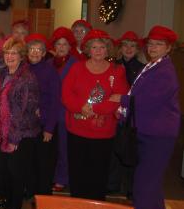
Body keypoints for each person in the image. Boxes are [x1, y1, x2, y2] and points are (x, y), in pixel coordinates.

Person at [119, 26, 180, 209]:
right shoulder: (153, 66)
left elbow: (148, 100)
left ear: (168, 48)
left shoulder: (165, 71)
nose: (153, 47)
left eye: (159, 44)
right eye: (151, 43)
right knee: (151, 172)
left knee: (145, 175)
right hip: (147, 128)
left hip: (159, 133)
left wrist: (122, 101)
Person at [61, 29, 128, 200]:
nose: (98, 51)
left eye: (102, 47)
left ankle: (96, 206)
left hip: (103, 133)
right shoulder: (76, 68)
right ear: (88, 49)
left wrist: (95, 109)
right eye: (94, 47)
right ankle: (78, 204)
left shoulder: (117, 71)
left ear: (107, 50)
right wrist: (79, 107)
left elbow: (118, 98)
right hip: (77, 129)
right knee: (77, 170)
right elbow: (66, 94)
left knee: (99, 172)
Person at [0, 38, 40, 209]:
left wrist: (15, 140)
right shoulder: (2, 74)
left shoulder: (27, 78)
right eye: (7, 53)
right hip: (3, 133)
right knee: (2, 171)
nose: (9, 56)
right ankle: (6, 208)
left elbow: (27, 112)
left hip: (21, 136)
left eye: (14, 53)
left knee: (16, 175)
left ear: (21, 56)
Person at [109, 30, 145, 196]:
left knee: (130, 151)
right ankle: (113, 184)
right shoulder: (113, 65)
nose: (129, 49)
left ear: (137, 49)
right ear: (120, 48)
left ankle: (130, 187)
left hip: (132, 116)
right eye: (125, 45)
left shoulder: (142, 69)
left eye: (133, 46)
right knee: (115, 150)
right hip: (114, 114)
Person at [26, 34, 61, 196]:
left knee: (44, 165)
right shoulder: (23, 69)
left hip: (44, 125)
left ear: (44, 53)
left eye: (38, 49)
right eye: (31, 49)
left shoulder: (50, 72)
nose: (34, 52)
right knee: (31, 163)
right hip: (27, 125)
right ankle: (31, 194)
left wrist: (49, 128)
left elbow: (55, 101)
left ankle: (43, 198)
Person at [49, 26, 79, 192]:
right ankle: (53, 176)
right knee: (51, 147)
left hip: (66, 112)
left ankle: (62, 178)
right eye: (58, 44)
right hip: (50, 112)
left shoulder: (76, 64)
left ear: (70, 46)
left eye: (65, 44)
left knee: (64, 147)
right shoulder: (49, 63)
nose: (61, 47)